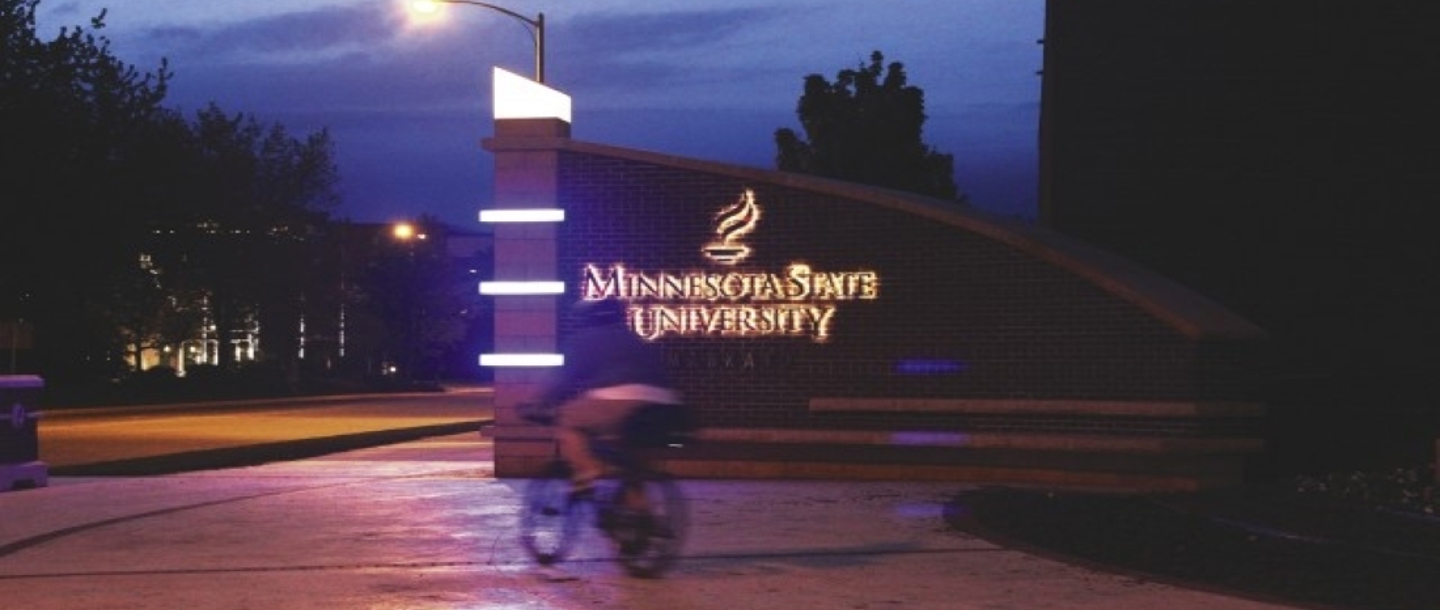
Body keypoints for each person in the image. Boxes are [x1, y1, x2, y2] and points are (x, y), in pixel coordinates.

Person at [529, 298, 683, 496]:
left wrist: (538, 403)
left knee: (567, 421)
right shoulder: (638, 340)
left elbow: (561, 379)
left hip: (616, 400)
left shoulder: (584, 339)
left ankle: (587, 469)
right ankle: (641, 514)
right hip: (662, 407)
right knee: (632, 466)